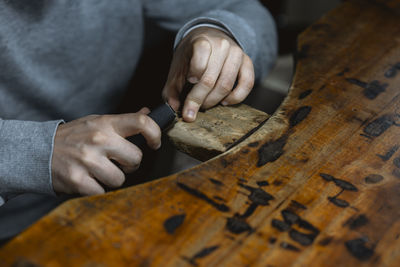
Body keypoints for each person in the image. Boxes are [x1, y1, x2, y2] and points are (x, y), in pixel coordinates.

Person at [0, 0, 277, 242]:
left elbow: (246, 10)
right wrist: (33, 153)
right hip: (14, 224)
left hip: (109, 201)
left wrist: (219, 32)